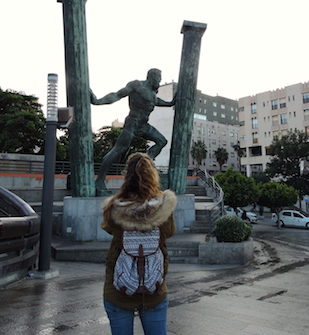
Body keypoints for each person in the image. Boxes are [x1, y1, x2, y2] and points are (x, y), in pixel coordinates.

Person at [102, 152, 177, 335]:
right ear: (153, 175)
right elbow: (169, 232)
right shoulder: (163, 206)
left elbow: (108, 228)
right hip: (154, 289)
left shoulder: (114, 207)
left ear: (126, 175)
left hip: (118, 288)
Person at [90, 68, 176, 195]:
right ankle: (100, 180)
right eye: (159, 78)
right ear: (152, 77)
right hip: (132, 123)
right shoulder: (136, 85)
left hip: (144, 125)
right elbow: (116, 95)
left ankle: (145, 161)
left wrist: (173, 102)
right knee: (118, 150)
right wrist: (97, 101)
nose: (159, 81)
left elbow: (161, 102)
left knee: (161, 141)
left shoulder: (153, 95)